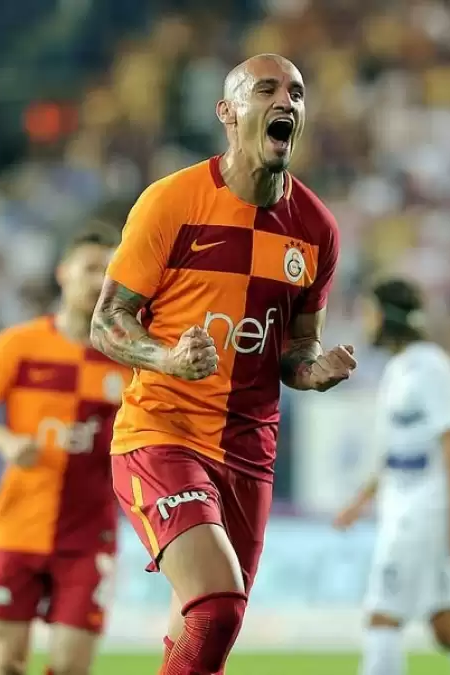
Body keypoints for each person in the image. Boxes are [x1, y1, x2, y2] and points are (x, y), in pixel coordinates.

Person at [90, 53, 357, 675]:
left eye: (297, 92)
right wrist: (166, 357)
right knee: (217, 607)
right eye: (266, 90)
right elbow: (106, 321)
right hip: (163, 433)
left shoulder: (316, 228)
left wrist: (312, 370)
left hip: (248, 454)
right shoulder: (172, 202)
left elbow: (297, 347)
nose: (286, 101)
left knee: (204, 638)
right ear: (227, 112)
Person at [0, 224, 132, 675]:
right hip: (18, 526)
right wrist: (5, 441)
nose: (99, 280)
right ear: (63, 272)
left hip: (90, 534)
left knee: (71, 667)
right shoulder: (20, 344)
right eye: (90, 268)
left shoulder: (129, 357)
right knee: (7, 663)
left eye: (109, 271)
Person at [333, 279, 450, 675]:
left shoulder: (431, 367)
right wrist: (359, 502)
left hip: (421, 514)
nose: (366, 322)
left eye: (370, 313)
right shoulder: (397, 370)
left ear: (388, 317)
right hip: (407, 510)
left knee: (382, 616)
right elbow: (392, 454)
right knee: (445, 626)